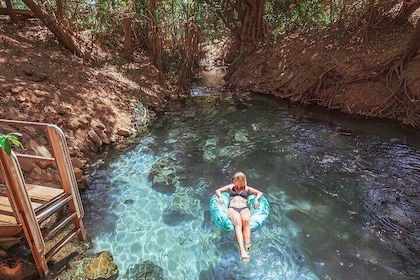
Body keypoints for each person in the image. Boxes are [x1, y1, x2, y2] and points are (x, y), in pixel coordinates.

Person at [215, 172, 263, 262]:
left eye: (235, 180)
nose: (233, 181)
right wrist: (220, 197)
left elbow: (259, 193)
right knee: (238, 222)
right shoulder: (231, 187)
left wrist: (256, 200)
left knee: (246, 222)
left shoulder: (247, 188)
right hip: (232, 208)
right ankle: (242, 250)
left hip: (244, 208)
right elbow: (218, 190)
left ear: (241, 181)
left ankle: (248, 249)